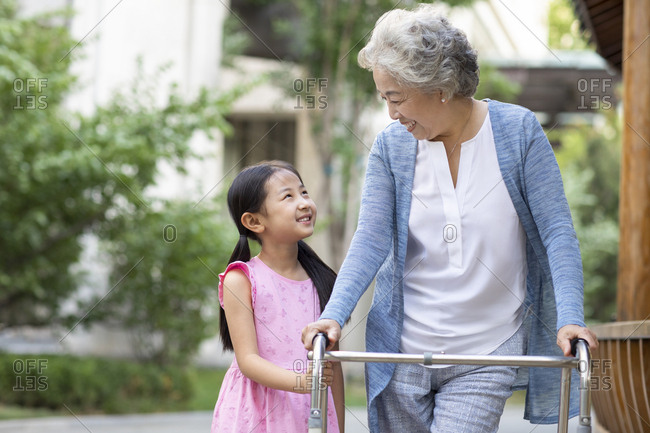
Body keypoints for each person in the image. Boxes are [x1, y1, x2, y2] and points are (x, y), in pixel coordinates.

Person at [302, 4, 598, 433]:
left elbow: (557, 233)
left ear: (438, 87)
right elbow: (371, 238)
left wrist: (571, 316)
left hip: (485, 351)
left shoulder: (518, 132)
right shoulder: (392, 147)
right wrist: (335, 314)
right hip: (400, 352)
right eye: (384, 98)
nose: (391, 113)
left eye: (396, 98)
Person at [212, 160, 344, 433]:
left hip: (311, 408)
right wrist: (301, 382)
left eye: (304, 192)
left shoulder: (324, 280)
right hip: (257, 412)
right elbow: (248, 361)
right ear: (254, 221)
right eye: (288, 196)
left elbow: (334, 368)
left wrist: (339, 427)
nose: (304, 202)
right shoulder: (241, 279)